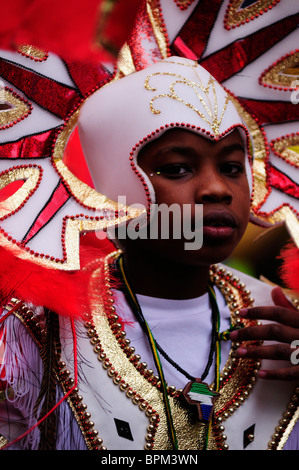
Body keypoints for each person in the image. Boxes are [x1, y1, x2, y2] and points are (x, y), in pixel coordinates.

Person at [0, 57, 298, 451]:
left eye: (230, 166)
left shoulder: (285, 324)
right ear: (110, 191)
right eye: (177, 169)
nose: (217, 189)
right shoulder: (32, 332)